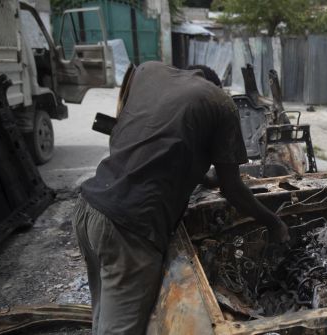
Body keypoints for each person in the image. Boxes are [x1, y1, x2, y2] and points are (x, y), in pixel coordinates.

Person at [73, 61, 290, 334]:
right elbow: (232, 189)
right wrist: (273, 223)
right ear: (215, 84)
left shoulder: (149, 72)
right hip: (130, 229)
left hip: (89, 208)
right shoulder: (219, 102)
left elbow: (157, 139)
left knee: (104, 316)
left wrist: (206, 177)